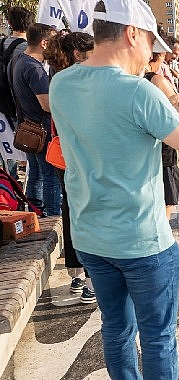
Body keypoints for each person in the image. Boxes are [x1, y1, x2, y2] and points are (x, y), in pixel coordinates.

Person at [49, 0, 179, 378]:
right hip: (142, 242)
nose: (152, 55)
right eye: (150, 43)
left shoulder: (61, 84)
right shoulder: (138, 93)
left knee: (115, 330)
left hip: (90, 237)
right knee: (159, 339)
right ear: (131, 34)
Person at [43, 31, 96, 302]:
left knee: (71, 212)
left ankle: (77, 277)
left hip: (63, 156)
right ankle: (89, 281)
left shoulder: (57, 78)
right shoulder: (76, 81)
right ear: (78, 54)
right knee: (85, 214)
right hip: (77, 156)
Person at [144, 50, 179, 300]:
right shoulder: (153, 80)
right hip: (164, 159)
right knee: (162, 224)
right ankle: (166, 284)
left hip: (146, 163)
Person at [8, 23, 60, 216]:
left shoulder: (17, 60)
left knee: (36, 175)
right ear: (44, 43)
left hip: (27, 128)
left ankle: (36, 213)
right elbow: (47, 105)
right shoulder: (35, 69)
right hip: (42, 131)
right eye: (53, 42)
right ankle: (53, 218)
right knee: (50, 177)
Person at [1, 7, 33, 180]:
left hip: (1, 103)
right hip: (18, 105)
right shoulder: (28, 49)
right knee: (23, 149)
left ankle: (7, 188)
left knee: (5, 151)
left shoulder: (1, 43)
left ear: (10, 23)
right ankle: (17, 190)